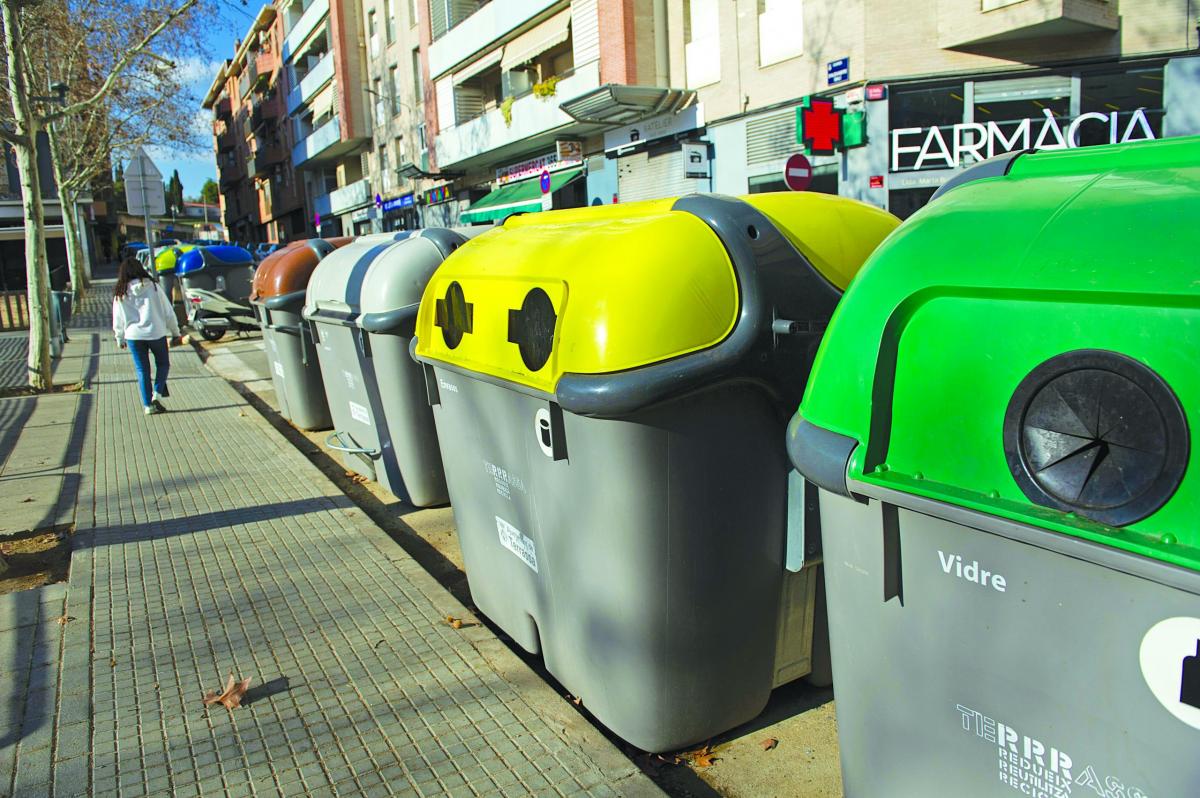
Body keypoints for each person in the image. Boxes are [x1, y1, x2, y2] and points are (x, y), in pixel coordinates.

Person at [112, 257, 180, 415]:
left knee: (142, 370)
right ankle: (156, 394)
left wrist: (119, 337)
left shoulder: (121, 292)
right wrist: (175, 332)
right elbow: (168, 312)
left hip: (133, 336)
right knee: (163, 364)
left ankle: (148, 406)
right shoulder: (154, 287)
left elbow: (117, 317)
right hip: (156, 333)